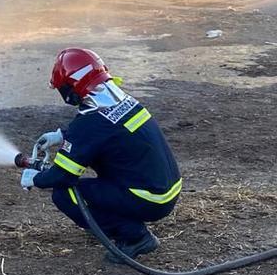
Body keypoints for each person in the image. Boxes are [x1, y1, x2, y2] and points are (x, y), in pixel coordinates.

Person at [20, 48, 181, 263]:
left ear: (71, 88)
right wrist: (62, 135)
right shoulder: (125, 102)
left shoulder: (90, 124)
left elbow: (63, 176)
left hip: (148, 198)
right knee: (96, 180)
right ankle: (105, 222)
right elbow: (107, 133)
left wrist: (36, 178)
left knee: (64, 194)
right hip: (166, 189)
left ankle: (136, 237)